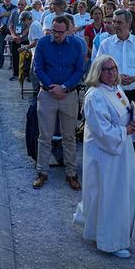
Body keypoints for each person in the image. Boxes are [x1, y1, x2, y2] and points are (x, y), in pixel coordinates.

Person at [72, 55, 135, 259]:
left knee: (119, 193)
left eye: (114, 68)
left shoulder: (117, 90)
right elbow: (101, 129)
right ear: (97, 73)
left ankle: (96, 227)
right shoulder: (95, 96)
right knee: (109, 195)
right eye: (106, 70)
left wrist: (133, 121)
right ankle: (110, 241)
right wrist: (125, 130)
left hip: (121, 151)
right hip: (105, 154)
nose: (111, 73)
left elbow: (126, 112)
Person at [95, 9, 135, 194]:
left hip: (134, 94)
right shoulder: (106, 44)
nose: (115, 25)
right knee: (113, 135)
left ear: (129, 24)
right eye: (114, 21)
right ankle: (112, 179)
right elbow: (95, 69)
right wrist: (114, 78)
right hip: (113, 96)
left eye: (119, 22)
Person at [32, 15, 86, 191]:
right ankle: (42, 172)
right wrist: (51, 86)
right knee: (44, 136)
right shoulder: (43, 43)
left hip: (68, 95)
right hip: (47, 94)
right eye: (54, 31)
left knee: (69, 136)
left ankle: (71, 173)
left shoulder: (77, 45)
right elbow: (38, 68)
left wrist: (64, 87)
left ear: (69, 30)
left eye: (60, 32)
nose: (56, 35)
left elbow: (79, 70)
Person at [0, 0, 16, 69]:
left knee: (12, 48)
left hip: (11, 29)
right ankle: (1, 63)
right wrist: (3, 15)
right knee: (1, 48)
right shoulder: (0, 8)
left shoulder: (15, 8)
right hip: (3, 29)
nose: (7, 0)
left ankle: (11, 63)